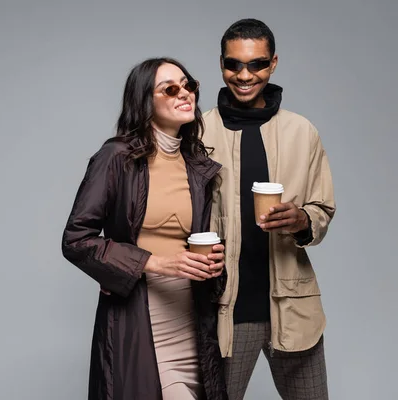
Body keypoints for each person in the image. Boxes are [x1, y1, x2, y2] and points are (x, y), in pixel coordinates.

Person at [62, 58, 228, 400]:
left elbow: (196, 241)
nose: (184, 93)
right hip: (141, 322)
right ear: (145, 102)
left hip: (195, 323)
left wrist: (214, 262)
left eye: (188, 84)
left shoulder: (198, 166)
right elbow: (77, 239)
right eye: (170, 88)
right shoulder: (117, 157)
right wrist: (154, 263)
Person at [201, 18, 336, 400]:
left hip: (293, 308)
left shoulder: (302, 131)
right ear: (222, 63)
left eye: (257, 64)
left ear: (273, 63)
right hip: (224, 310)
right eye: (234, 65)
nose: (245, 75)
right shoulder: (197, 131)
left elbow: (322, 208)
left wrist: (303, 220)